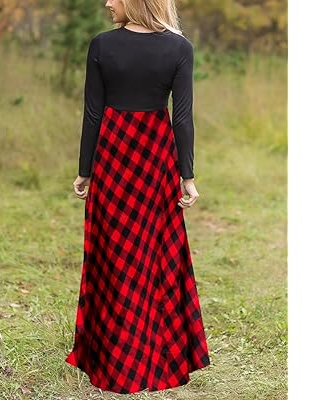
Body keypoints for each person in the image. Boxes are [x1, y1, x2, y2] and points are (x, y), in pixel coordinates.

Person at [66, 0, 210, 394]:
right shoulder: (180, 48)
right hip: (155, 156)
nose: (108, 3)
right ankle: (152, 355)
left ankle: (114, 361)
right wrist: (187, 176)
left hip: (113, 154)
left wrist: (85, 169)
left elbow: (93, 113)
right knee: (152, 254)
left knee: (113, 254)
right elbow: (182, 118)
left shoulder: (102, 45)